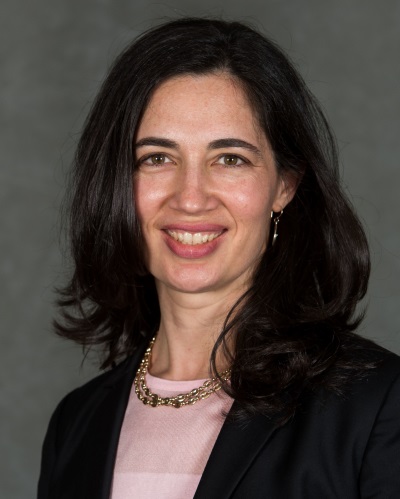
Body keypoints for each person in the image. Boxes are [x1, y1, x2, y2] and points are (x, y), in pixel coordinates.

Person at [38, 18, 400, 499]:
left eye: (230, 159)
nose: (190, 198)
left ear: (284, 185)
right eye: (157, 158)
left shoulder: (378, 406)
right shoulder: (76, 424)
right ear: (116, 183)